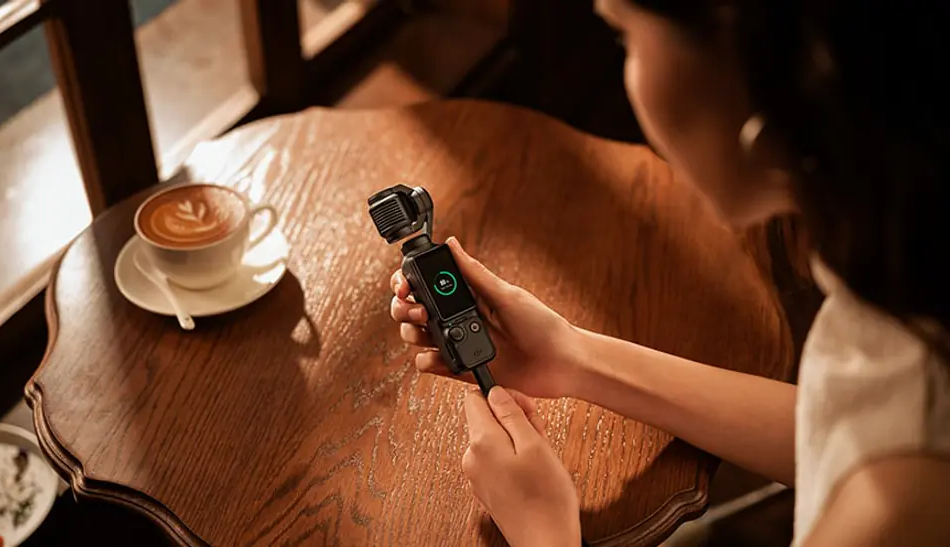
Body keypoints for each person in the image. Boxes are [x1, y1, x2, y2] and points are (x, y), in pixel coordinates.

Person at [390, 1, 950, 545]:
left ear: (752, 60)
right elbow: (844, 427)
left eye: (625, 35)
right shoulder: (905, 265)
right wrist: (571, 357)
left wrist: (544, 530)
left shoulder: (901, 502)